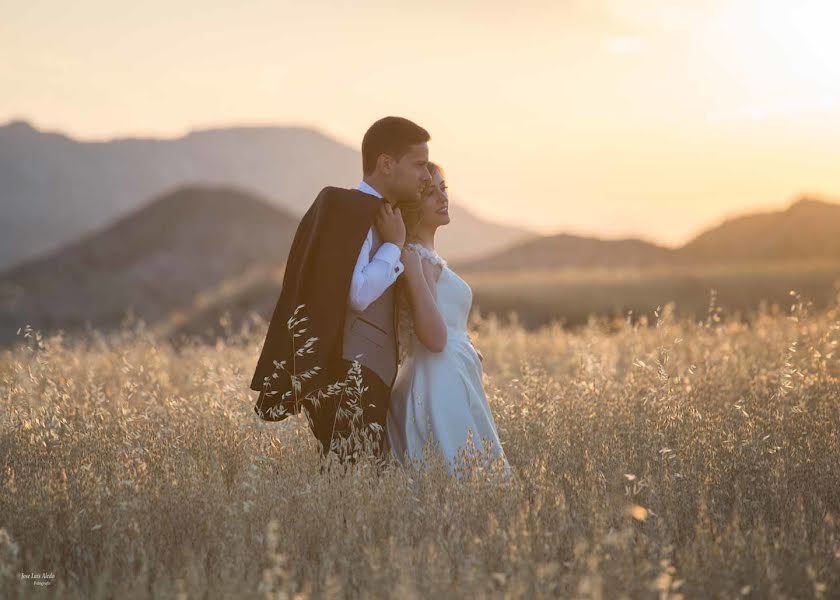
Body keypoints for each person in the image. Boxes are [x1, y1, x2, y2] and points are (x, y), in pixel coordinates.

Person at [250, 116, 432, 463]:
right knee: (354, 478)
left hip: (368, 375)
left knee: (354, 480)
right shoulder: (348, 211)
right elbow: (358, 293)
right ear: (386, 164)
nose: (425, 175)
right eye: (419, 164)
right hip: (348, 376)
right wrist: (394, 245)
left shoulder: (379, 214)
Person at [386, 162, 511, 477]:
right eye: (431, 193)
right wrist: (413, 272)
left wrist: (466, 344)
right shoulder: (417, 259)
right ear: (414, 202)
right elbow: (434, 337)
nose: (443, 198)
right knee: (459, 474)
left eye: (444, 189)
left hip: (448, 371)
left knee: (466, 471)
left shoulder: (426, 256)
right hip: (437, 377)